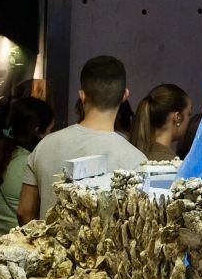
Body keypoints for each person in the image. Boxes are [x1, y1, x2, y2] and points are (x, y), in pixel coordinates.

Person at [16, 55, 148, 225]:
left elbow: (24, 211)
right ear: (125, 95)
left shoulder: (45, 145)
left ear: (82, 95)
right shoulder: (136, 160)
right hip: (103, 252)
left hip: (46, 250)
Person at [0, 97, 53, 243]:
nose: (52, 136)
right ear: (38, 132)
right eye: (51, 130)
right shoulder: (31, 164)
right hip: (18, 251)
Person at [132, 83, 192, 161]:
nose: (188, 120)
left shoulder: (136, 155)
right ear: (178, 117)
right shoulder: (173, 165)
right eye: (189, 114)